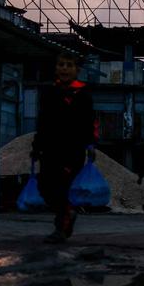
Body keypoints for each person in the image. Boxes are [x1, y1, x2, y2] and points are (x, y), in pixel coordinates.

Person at [31, 51, 97, 243]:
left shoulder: (83, 95)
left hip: (72, 150)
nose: (64, 69)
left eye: (69, 65)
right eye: (61, 65)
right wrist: (36, 147)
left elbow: (90, 122)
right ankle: (67, 214)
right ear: (56, 68)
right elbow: (42, 122)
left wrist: (91, 145)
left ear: (77, 70)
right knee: (45, 186)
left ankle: (60, 227)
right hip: (50, 149)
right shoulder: (50, 93)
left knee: (62, 188)